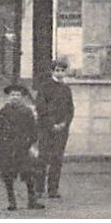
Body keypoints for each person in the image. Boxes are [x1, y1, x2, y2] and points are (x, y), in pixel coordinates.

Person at [0, 83, 45, 211]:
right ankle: (12, 202)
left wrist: (32, 143)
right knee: (8, 176)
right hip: (7, 148)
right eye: (12, 95)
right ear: (8, 97)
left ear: (22, 97)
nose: (15, 97)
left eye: (18, 95)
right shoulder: (4, 111)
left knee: (29, 174)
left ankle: (32, 201)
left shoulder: (27, 111)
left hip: (23, 147)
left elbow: (33, 129)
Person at [36, 58, 75, 197]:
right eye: (57, 70)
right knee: (43, 158)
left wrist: (64, 123)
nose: (60, 73)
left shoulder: (66, 89)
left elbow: (70, 109)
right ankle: (39, 189)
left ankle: (53, 189)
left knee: (57, 159)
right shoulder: (45, 87)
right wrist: (51, 124)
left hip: (62, 130)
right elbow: (41, 107)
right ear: (52, 71)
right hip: (46, 128)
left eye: (62, 70)